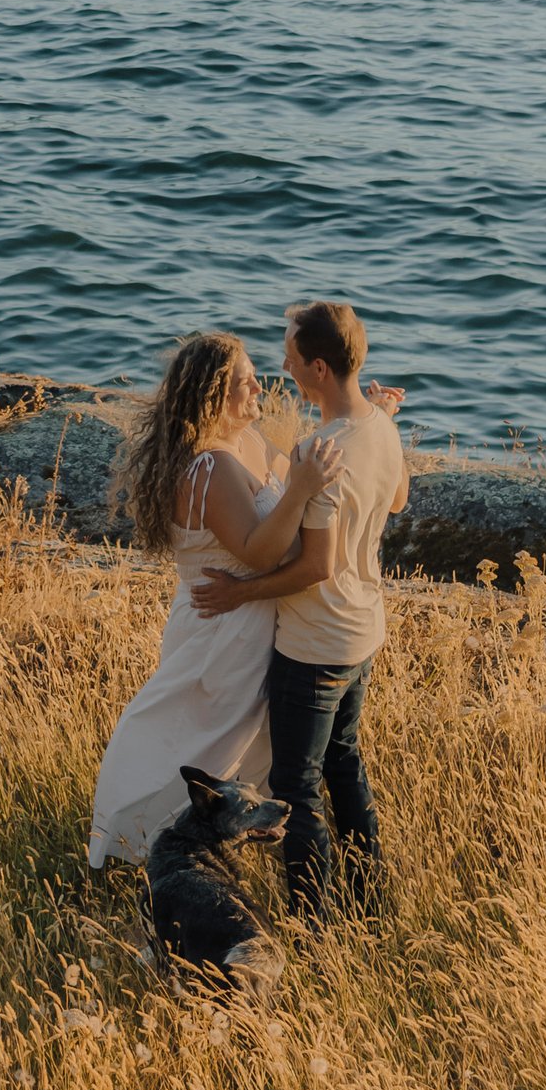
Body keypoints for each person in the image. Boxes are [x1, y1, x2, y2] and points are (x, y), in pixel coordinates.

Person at [86, 329, 341, 870]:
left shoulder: (246, 444)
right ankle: (151, 845)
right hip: (223, 628)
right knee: (201, 744)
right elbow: (259, 554)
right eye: (246, 382)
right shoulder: (211, 465)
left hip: (239, 619)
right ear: (213, 396)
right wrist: (299, 489)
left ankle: (206, 848)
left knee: (233, 743)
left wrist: (358, 422)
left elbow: (297, 468)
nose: (259, 388)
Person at [191, 297, 406, 915]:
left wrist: (238, 592)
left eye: (289, 362)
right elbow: (395, 500)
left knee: (296, 784)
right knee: (344, 763)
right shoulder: (381, 427)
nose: (282, 372)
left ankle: (315, 920)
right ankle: (371, 900)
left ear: (317, 368)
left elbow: (316, 566)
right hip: (364, 630)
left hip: (315, 641)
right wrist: (383, 411)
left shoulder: (320, 453)